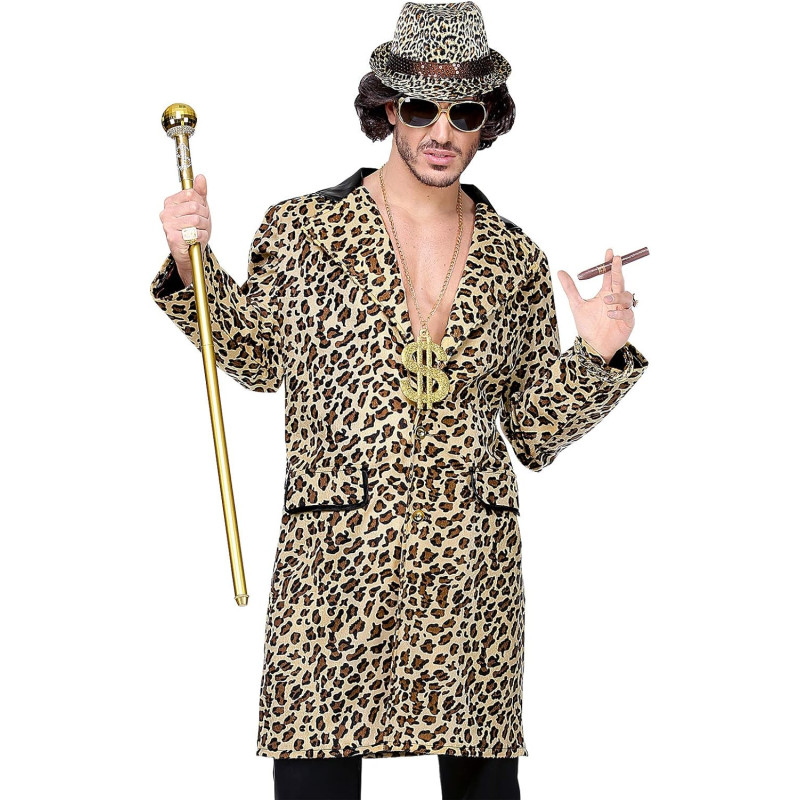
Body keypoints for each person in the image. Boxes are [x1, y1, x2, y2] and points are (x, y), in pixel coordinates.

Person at [151, 2, 649, 798]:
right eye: (421, 108)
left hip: (469, 573)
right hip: (335, 567)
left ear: (488, 119)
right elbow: (258, 360)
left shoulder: (516, 258)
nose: (441, 131)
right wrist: (190, 264)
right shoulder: (304, 230)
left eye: (464, 113)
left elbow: (531, 431)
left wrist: (596, 353)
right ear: (388, 108)